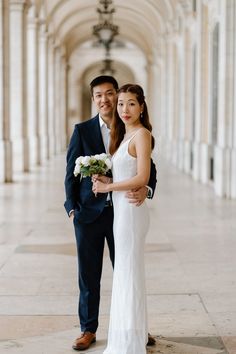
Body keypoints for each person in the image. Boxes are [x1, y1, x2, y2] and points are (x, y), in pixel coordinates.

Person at [64, 76, 157, 351]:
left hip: (123, 212)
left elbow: (149, 168)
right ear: (94, 99)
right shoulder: (82, 130)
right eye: (98, 95)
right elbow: (70, 172)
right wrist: (71, 208)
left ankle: (134, 328)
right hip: (89, 215)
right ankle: (88, 329)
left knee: (126, 270)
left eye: (109, 94)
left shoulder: (129, 127)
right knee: (88, 275)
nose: (105, 100)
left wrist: (146, 189)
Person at [92, 83, 155, 354]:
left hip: (131, 212)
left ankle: (129, 343)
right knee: (126, 275)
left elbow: (142, 177)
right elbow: (125, 174)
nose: (124, 109)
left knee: (128, 273)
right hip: (122, 212)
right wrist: (107, 179)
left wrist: (108, 188)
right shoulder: (123, 135)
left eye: (131, 103)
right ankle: (130, 334)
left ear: (141, 106)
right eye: (121, 103)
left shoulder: (142, 134)